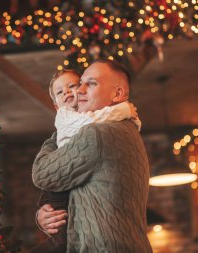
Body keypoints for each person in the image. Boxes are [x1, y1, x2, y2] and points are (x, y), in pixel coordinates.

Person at [32, 59, 153, 253]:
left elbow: (41, 174)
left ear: (117, 94)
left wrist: (58, 133)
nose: (79, 91)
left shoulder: (97, 134)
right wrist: (44, 216)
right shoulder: (128, 128)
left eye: (91, 83)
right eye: (81, 83)